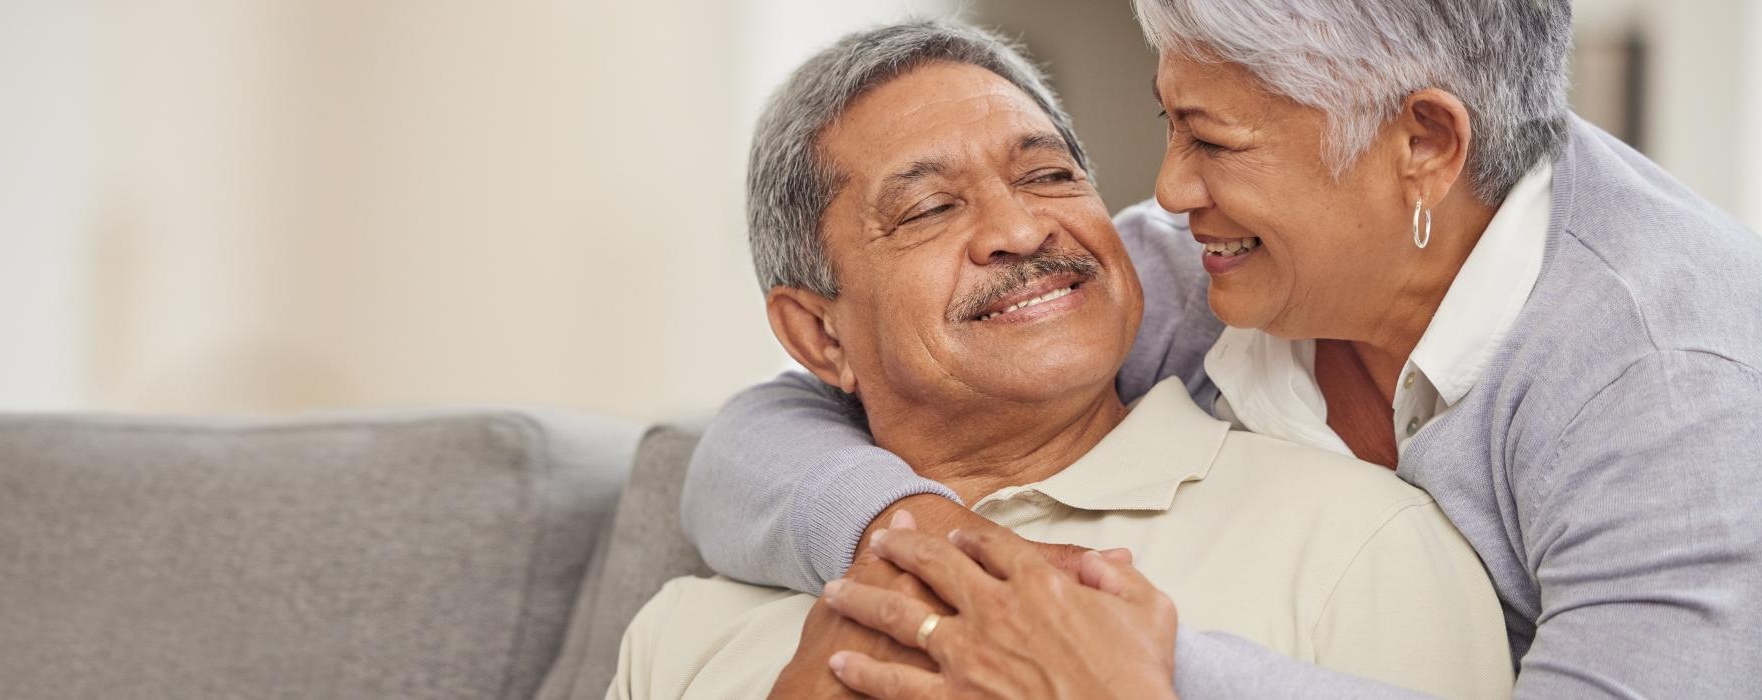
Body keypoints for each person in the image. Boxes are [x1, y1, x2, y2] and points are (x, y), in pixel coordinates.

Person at [683, 1, 1762, 698]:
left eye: (1213, 140)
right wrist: (913, 534)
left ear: (1424, 144)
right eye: (1168, 122)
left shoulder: (1673, 378)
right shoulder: (1208, 274)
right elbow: (766, 426)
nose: (1166, 191)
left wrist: (1129, 666)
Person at [608, 20, 1513, 700]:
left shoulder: (1358, 542)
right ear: (819, 337)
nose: (1020, 228)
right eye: (928, 210)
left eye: (1048, 175)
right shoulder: (684, 633)